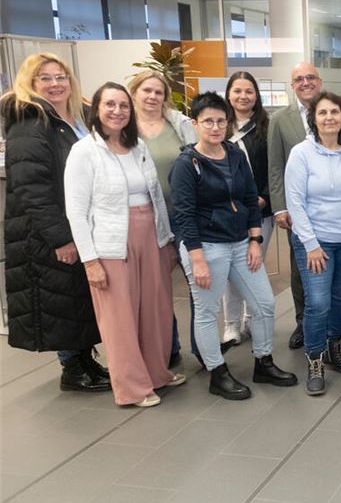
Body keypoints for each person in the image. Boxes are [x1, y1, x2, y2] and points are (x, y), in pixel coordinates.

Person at [64, 83, 186, 407]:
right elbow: (76, 211)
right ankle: (133, 388)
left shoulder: (138, 147)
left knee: (155, 309)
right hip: (110, 242)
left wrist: (166, 240)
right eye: (110, 105)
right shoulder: (84, 151)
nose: (118, 111)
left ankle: (157, 374)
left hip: (151, 235)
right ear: (97, 110)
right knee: (120, 318)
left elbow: (155, 195)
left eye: (123, 106)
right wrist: (90, 261)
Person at [172, 92, 297, 401]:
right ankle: (217, 372)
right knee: (206, 311)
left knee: (264, 303)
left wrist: (255, 239)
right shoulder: (187, 165)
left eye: (220, 121)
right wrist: (197, 260)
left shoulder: (235, 154)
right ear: (195, 124)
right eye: (208, 121)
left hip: (241, 243)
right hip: (206, 248)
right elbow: (184, 216)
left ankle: (264, 362)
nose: (215, 127)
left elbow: (250, 198)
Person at [2, 53, 109, 393]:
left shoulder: (76, 118)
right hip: (48, 233)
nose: (55, 84)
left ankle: (85, 360)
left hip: (77, 225)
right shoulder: (30, 123)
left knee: (76, 299)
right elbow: (31, 189)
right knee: (61, 301)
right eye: (44, 78)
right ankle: (72, 367)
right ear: (30, 84)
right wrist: (61, 238)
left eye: (60, 76)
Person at [285, 91, 341, 396]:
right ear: (313, 118)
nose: (329, 117)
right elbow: (295, 201)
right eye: (323, 113)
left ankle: (334, 350)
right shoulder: (301, 153)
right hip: (315, 241)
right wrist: (310, 244)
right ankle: (315, 359)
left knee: (338, 299)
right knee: (317, 303)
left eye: (335, 111)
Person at [129, 69, 198, 367]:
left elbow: (199, 162)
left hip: (183, 215)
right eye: (146, 90)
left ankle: (204, 350)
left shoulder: (179, 125)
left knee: (197, 283)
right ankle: (167, 347)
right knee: (155, 289)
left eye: (158, 92)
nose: (152, 97)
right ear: (134, 93)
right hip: (147, 217)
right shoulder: (124, 128)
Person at [268, 62, 321, 351]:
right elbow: (275, 166)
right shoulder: (279, 119)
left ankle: (333, 323)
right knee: (301, 269)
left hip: (329, 207)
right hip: (296, 208)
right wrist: (279, 207)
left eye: (310, 77)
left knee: (332, 268)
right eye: (298, 79)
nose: (305, 82)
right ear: (292, 85)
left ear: (319, 81)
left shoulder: (333, 111)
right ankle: (303, 322)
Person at [222, 71, 274, 346]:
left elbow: (274, 166)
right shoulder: (219, 125)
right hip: (225, 213)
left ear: (257, 95)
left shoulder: (267, 127)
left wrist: (264, 197)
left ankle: (250, 319)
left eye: (249, 91)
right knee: (230, 270)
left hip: (259, 210)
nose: (243, 96)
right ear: (229, 94)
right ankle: (231, 324)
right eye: (237, 91)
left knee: (254, 265)